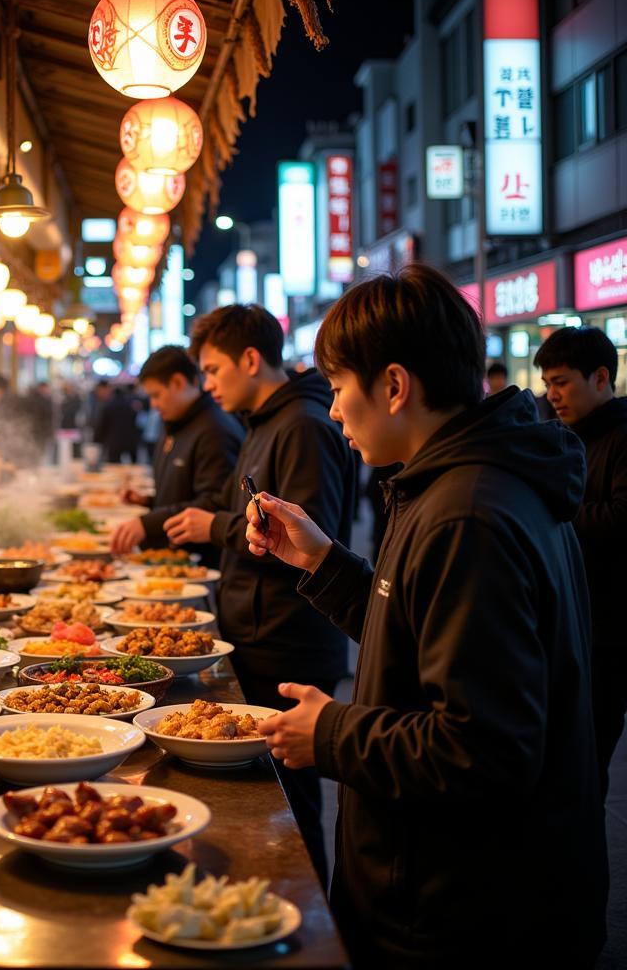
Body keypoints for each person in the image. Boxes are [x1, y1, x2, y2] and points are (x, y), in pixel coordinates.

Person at [244, 265, 607, 968]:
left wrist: (333, 731)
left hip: (467, 915)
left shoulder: (470, 511)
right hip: (467, 893)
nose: (334, 412)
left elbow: (485, 750)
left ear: (395, 386)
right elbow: (423, 633)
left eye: (340, 389)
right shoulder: (460, 481)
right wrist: (326, 563)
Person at [162, 305, 356, 886]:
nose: (209, 384)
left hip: (290, 638)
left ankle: (306, 917)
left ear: (251, 359)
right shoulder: (262, 420)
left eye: (215, 369)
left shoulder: (301, 425)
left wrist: (214, 528)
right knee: (268, 795)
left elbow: (305, 537)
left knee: (289, 804)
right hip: (254, 627)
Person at [536, 325, 627, 799]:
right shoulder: (564, 438)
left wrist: (555, 512)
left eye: (562, 382)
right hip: (573, 621)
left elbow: (620, 517)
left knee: (586, 759)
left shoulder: (620, 437)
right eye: (548, 383)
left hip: (609, 630)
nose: (552, 394)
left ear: (601, 377)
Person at [110, 345, 243, 564]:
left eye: (156, 395)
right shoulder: (175, 422)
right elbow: (184, 495)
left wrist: (147, 523)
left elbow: (214, 503)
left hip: (199, 564)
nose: (153, 404)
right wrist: (148, 501)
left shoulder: (215, 429)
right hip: (169, 556)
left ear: (178, 382)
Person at [93, 381, 140, 463]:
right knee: (134, 465)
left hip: (114, 443)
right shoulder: (130, 402)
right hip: (132, 441)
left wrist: (96, 442)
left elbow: (102, 426)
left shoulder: (108, 405)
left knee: (114, 467)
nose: (99, 394)